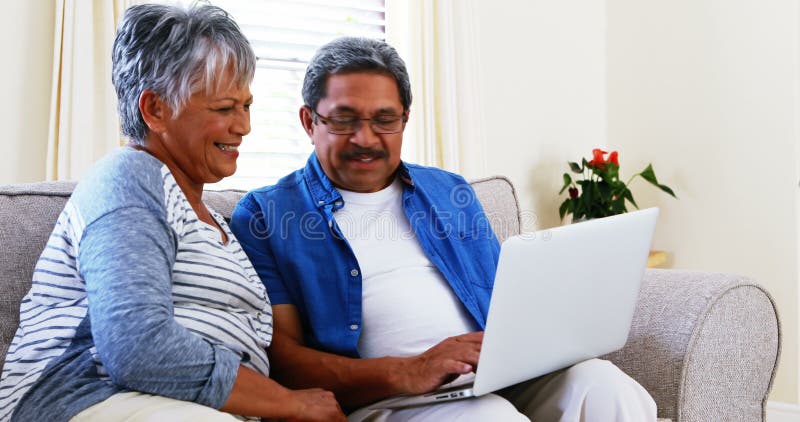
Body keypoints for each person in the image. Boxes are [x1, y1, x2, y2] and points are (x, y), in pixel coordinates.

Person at [230, 36, 658, 421]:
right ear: (309, 121)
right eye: (344, 120)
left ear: (405, 118)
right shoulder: (268, 214)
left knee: (606, 387)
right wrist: (407, 371)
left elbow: (505, 296)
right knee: (489, 418)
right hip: (388, 399)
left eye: (385, 119)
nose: (366, 138)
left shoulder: (448, 191)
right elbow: (282, 359)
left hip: (494, 375)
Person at [0, 4, 346, 422]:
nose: (243, 126)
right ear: (155, 110)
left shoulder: (215, 221)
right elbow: (136, 346)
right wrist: (289, 403)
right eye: (223, 108)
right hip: (84, 397)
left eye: (246, 106)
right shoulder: (129, 177)